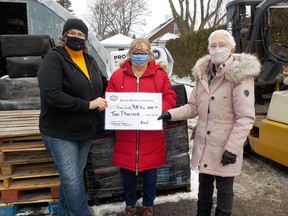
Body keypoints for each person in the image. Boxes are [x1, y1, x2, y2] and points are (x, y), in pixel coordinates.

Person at [158, 29, 261, 216]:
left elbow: (245, 117)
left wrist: (232, 148)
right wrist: (169, 114)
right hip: (205, 145)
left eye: (222, 45)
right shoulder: (203, 74)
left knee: (225, 191)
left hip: (225, 146)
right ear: (208, 49)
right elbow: (193, 107)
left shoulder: (239, 76)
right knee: (204, 188)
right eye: (213, 45)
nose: (217, 49)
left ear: (232, 49)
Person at [37, 18, 108, 216]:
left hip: (84, 130)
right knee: (71, 181)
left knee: (72, 179)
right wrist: (88, 104)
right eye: (72, 33)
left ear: (85, 38)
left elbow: (104, 83)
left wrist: (107, 98)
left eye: (81, 34)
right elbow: (51, 93)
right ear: (65, 35)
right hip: (60, 132)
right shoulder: (55, 57)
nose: (76, 37)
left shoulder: (90, 60)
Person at [105, 38, 177, 216]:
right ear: (130, 54)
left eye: (143, 51)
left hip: (151, 135)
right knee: (128, 174)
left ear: (150, 54)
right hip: (126, 136)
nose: (139, 55)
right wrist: (111, 107)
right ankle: (130, 205)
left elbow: (170, 97)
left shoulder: (160, 76)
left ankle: (148, 206)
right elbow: (109, 97)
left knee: (150, 174)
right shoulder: (118, 75)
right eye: (136, 51)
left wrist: (158, 109)